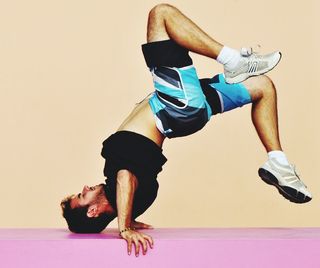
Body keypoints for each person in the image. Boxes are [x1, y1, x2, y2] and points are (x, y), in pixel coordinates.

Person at [60, 3, 312, 257]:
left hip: (183, 111)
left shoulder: (132, 196)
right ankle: (233, 60)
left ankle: (278, 162)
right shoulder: (120, 183)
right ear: (92, 211)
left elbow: (130, 185)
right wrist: (125, 227)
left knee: (262, 86)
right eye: (82, 196)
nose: (85, 188)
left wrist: (129, 217)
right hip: (177, 105)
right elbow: (126, 178)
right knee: (161, 15)